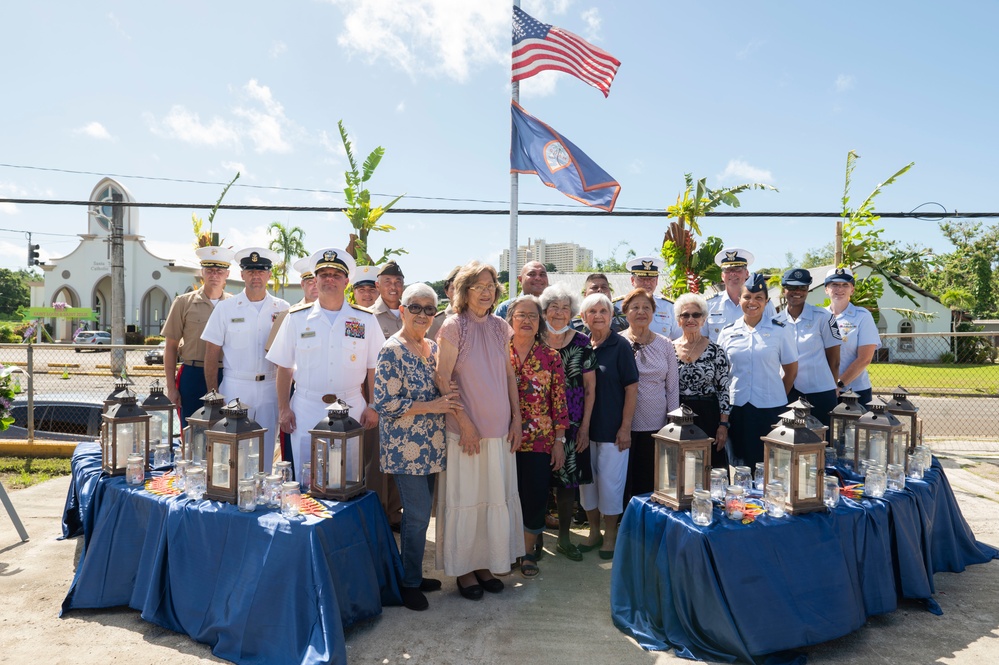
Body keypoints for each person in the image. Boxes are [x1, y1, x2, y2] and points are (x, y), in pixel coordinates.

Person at [434, 261, 523, 601]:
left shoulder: (501, 327)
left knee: (491, 498)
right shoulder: (454, 326)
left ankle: (485, 563)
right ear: (464, 291)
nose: (487, 291)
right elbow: (442, 379)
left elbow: (509, 376)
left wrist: (516, 419)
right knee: (467, 499)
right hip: (465, 434)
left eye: (491, 285)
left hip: (499, 431)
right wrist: (467, 425)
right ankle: (465, 570)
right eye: (479, 286)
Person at [372, 283, 460, 611]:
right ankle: (407, 583)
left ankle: (412, 575)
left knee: (421, 517)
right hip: (404, 449)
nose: (422, 314)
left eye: (429, 309)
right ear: (402, 311)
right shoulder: (391, 349)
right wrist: (432, 407)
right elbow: (384, 402)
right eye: (416, 307)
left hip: (431, 446)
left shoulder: (433, 348)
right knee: (419, 514)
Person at [266, 248, 381, 481]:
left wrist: (373, 404)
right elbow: (284, 367)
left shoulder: (365, 319)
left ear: (347, 281)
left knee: (348, 478)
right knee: (307, 479)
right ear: (315, 280)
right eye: (324, 274)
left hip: (351, 408)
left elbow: (374, 368)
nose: (330, 279)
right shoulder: (296, 318)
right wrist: (283, 408)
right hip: (306, 408)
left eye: (336, 275)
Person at [201, 247, 289, 470]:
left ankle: (262, 495)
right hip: (235, 386)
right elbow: (211, 354)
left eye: (261, 270)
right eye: (250, 271)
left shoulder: (283, 308)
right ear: (242, 275)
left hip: (270, 385)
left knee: (267, 449)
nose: (256, 276)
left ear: (269, 275)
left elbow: (289, 356)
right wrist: (213, 395)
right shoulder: (225, 308)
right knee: (233, 453)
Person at [507, 295, 569, 578]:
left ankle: (528, 551)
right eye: (521, 315)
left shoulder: (550, 357)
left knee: (533, 496)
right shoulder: (498, 351)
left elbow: (559, 401)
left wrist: (559, 441)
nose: (527, 321)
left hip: (539, 439)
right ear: (511, 319)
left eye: (533, 316)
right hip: (502, 436)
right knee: (505, 496)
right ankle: (506, 550)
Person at [577, 292, 638, 560]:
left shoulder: (620, 346)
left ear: (612, 317)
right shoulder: (579, 345)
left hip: (613, 431)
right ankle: (593, 531)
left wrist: (626, 428)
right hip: (581, 431)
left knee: (611, 485)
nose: (598, 316)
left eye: (604, 311)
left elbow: (632, 389)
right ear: (583, 317)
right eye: (593, 311)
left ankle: (610, 534)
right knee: (586, 485)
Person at [717, 273, 798, 469]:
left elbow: (791, 371)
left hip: (770, 409)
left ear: (766, 301)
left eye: (758, 298)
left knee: (770, 465)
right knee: (738, 465)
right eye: (747, 297)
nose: (752, 302)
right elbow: (721, 374)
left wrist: (775, 394)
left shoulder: (780, 330)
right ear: (740, 299)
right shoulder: (727, 332)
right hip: (737, 409)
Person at [540, 283, 595, 561]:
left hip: (573, 422)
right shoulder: (534, 339)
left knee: (567, 483)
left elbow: (589, 389)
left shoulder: (583, 342)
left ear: (572, 312)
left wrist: (585, 426)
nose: (559, 313)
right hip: (536, 421)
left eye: (565, 308)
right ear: (545, 311)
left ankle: (564, 537)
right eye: (553, 307)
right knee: (536, 481)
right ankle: (533, 540)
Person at [162, 245, 234, 430]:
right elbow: (170, 346)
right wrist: (171, 387)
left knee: (226, 432)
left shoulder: (235, 305)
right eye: (209, 270)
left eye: (219, 271)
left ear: (227, 274)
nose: (214, 275)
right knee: (191, 432)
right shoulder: (183, 302)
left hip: (226, 375)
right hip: (193, 375)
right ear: (202, 272)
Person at [620, 288, 679, 505]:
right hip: (624, 423)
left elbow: (672, 387)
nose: (641, 312)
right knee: (625, 477)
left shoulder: (665, 344)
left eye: (646, 307)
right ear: (625, 312)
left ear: (654, 312)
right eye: (635, 307)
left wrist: (672, 424)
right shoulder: (618, 343)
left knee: (649, 476)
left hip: (657, 422)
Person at [264, 255, 318, 467]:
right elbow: (278, 359)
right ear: (303, 284)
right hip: (296, 390)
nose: (314, 286)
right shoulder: (288, 315)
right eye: (309, 281)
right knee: (295, 452)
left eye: (317, 280)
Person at [776, 268, 842, 432]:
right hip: (786, 391)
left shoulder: (824, 317)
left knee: (821, 443)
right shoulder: (774, 322)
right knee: (787, 440)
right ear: (784, 289)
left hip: (820, 391)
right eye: (792, 287)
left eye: (802, 288)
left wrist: (832, 387)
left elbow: (834, 360)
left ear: (808, 290)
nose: (797, 292)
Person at [672, 292, 732, 469]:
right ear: (678, 320)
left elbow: (723, 391)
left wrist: (723, 425)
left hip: (708, 416)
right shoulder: (668, 349)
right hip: (679, 417)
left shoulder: (716, 351)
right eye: (685, 315)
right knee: (681, 468)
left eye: (696, 315)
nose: (690, 319)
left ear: (704, 319)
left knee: (710, 468)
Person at [824, 267, 881, 406]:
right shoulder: (819, 316)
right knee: (825, 428)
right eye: (834, 285)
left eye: (845, 285)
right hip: (824, 390)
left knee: (852, 428)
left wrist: (839, 384)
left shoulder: (862, 316)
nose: (839, 289)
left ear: (852, 290)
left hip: (854, 392)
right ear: (826, 289)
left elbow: (865, 359)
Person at [705, 248, 776, 342]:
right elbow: (702, 338)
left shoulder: (763, 304)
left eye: (738, 269)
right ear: (722, 276)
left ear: (747, 273)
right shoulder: (709, 305)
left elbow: (775, 334)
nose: (733, 273)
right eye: (727, 270)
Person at [620, 256, 680, 340]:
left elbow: (678, 339)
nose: (647, 283)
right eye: (642, 279)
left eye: (651, 279)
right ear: (632, 280)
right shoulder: (617, 305)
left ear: (657, 281)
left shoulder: (669, 307)